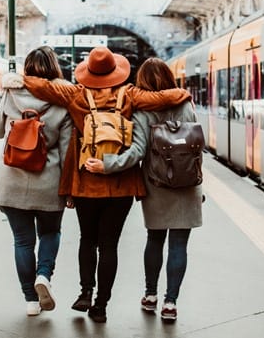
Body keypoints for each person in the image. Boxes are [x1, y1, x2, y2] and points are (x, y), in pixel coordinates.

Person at [3, 46, 192, 323]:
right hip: (122, 184)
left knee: (87, 240)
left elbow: (46, 88)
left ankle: (85, 293)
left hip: (87, 182)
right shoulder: (129, 94)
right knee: (109, 246)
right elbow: (160, 99)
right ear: (116, 72)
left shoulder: (76, 94)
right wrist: (181, 93)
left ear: (88, 72)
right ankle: (101, 305)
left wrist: (21, 79)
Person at [83, 57, 203, 321]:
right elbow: (196, 145)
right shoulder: (185, 103)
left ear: (142, 82)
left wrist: (107, 164)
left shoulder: (141, 110)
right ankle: (170, 303)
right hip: (187, 184)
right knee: (179, 244)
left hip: (157, 183)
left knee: (155, 239)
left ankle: (150, 296)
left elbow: (136, 152)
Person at [0, 46, 73, 317]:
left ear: (26, 68)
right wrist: (69, 187)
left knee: (23, 242)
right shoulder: (63, 98)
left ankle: (30, 301)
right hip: (48, 180)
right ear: (54, 68)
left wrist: (1, 100)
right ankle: (44, 276)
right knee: (50, 233)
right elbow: (66, 149)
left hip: (12, 180)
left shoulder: (11, 91)